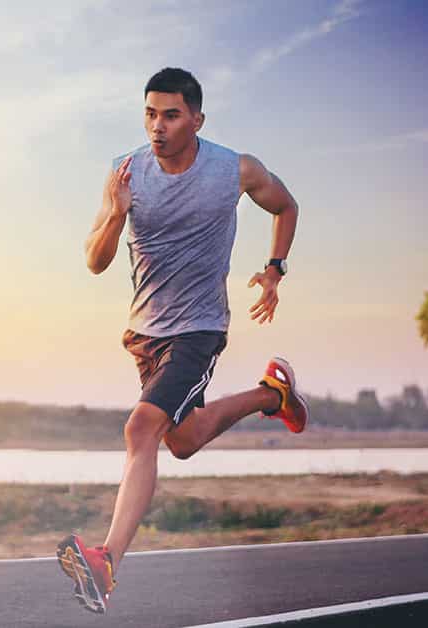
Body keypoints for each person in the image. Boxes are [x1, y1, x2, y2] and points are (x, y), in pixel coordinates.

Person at [56, 67, 309, 614]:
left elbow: (286, 206)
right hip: (145, 333)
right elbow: (95, 261)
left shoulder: (234, 169)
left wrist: (275, 270)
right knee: (183, 440)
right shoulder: (126, 173)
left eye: (171, 116)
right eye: (150, 114)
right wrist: (117, 214)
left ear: (197, 119)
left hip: (198, 329)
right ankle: (272, 395)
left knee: (140, 428)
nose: (158, 126)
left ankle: (105, 562)